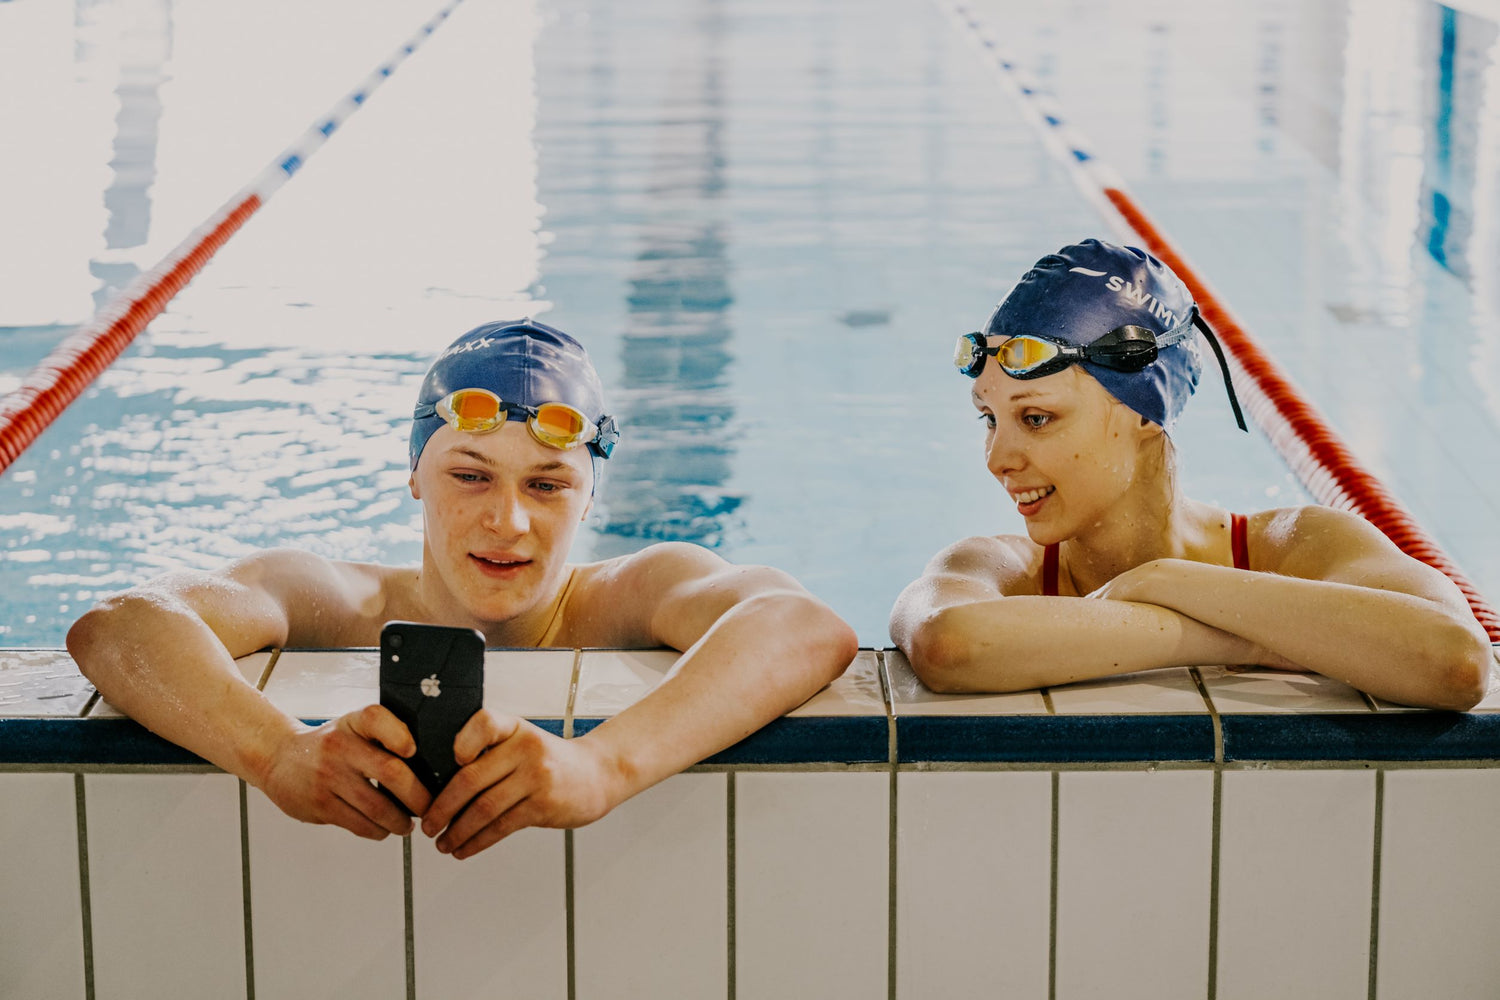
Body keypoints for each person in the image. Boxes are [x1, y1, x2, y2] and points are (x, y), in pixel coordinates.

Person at [69, 319, 858, 859]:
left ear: (590, 498)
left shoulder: (632, 593)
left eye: (547, 486)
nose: (508, 521)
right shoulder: (339, 601)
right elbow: (121, 625)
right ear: (415, 473)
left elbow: (802, 626)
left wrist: (601, 768)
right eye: (471, 476)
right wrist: (277, 751)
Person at [889, 239, 1491, 711]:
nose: (997, 457)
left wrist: (1164, 579)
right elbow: (948, 643)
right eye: (989, 420)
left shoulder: (1297, 545)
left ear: (1144, 411)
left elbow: (1458, 662)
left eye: (1037, 418)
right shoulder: (998, 567)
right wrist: (1250, 638)